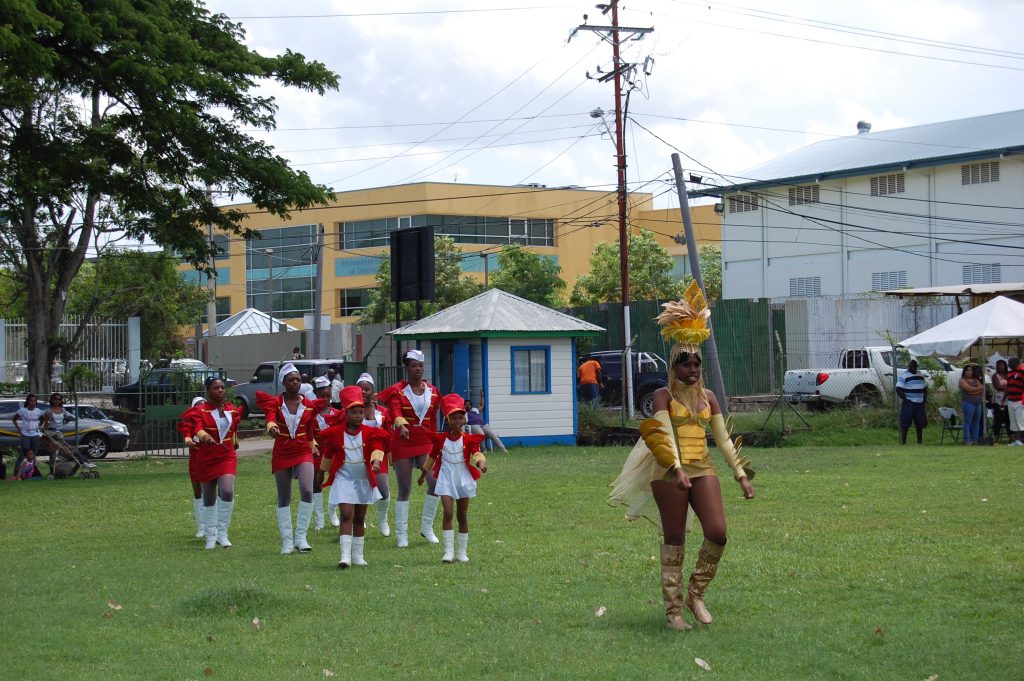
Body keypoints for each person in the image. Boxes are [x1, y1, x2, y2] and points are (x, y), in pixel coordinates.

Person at [609, 282, 755, 631]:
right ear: (674, 366)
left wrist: (741, 475)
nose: (692, 368)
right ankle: (673, 611)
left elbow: (722, 439)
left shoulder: (709, 397)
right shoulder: (663, 396)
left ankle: (696, 594)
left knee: (718, 532)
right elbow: (660, 432)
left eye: (696, 364)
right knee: (675, 540)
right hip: (667, 472)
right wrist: (675, 468)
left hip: (702, 468)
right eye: (685, 363)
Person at [376, 349, 442, 547]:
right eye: (413, 366)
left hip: (425, 441)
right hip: (403, 442)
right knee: (404, 488)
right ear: (406, 368)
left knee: (435, 483)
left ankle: (427, 528)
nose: (417, 369)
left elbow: (434, 418)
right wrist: (401, 425)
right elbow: (395, 411)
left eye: (420, 365)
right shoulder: (398, 390)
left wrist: (437, 441)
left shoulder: (432, 390)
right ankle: (402, 535)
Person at [257, 363, 324, 554]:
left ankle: (301, 538)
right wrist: (272, 427)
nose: (295, 382)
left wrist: (313, 446)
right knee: (284, 496)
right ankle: (287, 541)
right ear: (283, 383)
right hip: (282, 452)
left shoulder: (309, 404)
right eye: (291, 380)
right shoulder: (276, 403)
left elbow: (309, 430)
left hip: (303, 450)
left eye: (297, 379)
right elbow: (270, 418)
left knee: (307, 490)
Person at [320, 386, 388, 568]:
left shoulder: (370, 432)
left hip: (363, 481)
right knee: (346, 515)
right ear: (346, 413)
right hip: (344, 480)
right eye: (354, 412)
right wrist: (320, 474)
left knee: (359, 518)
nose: (358, 416)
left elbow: (377, 448)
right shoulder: (336, 433)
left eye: (360, 412)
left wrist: (376, 462)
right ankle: (345, 557)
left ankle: (358, 556)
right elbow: (327, 455)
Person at [421, 394, 487, 563]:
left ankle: (462, 552)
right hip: (446, 477)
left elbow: (476, 453)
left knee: (462, 516)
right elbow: (432, 457)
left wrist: (481, 463)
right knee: (448, 512)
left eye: (460, 418)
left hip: (462, 477)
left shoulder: (469, 439)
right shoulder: (440, 439)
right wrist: (423, 474)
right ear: (448, 420)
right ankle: (448, 551)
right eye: (454, 418)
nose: (457, 421)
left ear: (464, 420)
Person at [185, 378, 241, 549]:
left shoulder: (231, 409)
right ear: (208, 391)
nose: (221, 390)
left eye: (222, 387)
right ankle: (211, 536)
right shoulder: (200, 410)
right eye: (216, 388)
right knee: (208, 497)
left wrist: (235, 440)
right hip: (206, 456)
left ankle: (222, 534)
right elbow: (197, 428)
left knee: (227, 490)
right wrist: (204, 436)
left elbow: (233, 428)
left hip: (226, 455)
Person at [357, 372, 393, 537]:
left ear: (373, 391)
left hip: (378, 455)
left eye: (367, 389)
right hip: (357, 454)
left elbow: (388, 435)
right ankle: (359, 519)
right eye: (360, 389)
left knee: (383, 491)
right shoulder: (351, 411)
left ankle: (383, 519)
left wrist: (390, 456)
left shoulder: (383, 412)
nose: (364, 392)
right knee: (358, 490)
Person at [312, 375, 344, 531]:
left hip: (334, 452)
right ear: (316, 394)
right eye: (322, 396)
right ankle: (319, 519)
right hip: (317, 451)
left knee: (337, 481)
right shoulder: (310, 413)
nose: (325, 399)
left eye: (328, 396)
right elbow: (306, 432)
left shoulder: (337, 413)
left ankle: (333, 511)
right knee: (316, 482)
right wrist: (313, 445)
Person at [41, 393, 96, 470]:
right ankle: (53, 470)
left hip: (59, 433)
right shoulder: (48, 411)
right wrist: (44, 434)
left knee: (67, 450)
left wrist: (71, 420)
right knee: (54, 452)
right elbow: (45, 423)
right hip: (51, 432)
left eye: (59, 399)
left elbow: (71, 417)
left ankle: (83, 461)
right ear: (52, 400)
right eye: (55, 399)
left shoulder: (63, 410)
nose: (57, 401)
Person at [896, 359, 928, 445]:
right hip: (909, 403)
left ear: (917, 367)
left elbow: (925, 389)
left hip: (919, 403)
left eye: (915, 366)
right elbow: (898, 389)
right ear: (909, 366)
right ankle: (903, 442)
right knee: (905, 422)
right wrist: (905, 399)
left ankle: (919, 442)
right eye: (911, 366)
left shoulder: (920, 375)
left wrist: (924, 400)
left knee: (919, 423)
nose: (913, 368)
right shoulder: (904, 375)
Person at [13, 394, 45, 476]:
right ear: (28, 401)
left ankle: (32, 472)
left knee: (33, 454)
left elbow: (43, 419)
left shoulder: (38, 411)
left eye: (34, 401)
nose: (32, 402)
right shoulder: (23, 410)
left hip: (35, 435)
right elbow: (14, 419)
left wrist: (39, 428)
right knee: (23, 454)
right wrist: (19, 430)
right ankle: (16, 472)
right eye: (31, 400)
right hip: (25, 434)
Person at [959, 365, 984, 446]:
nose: (969, 372)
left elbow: (982, 388)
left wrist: (972, 391)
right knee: (967, 422)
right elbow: (968, 389)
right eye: (967, 370)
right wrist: (977, 390)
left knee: (976, 423)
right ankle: (967, 440)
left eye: (971, 370)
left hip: (978, 403)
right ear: (964, 371)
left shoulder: (976, 380)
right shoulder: (962, 380)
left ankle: (975, 440)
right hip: (968, 403)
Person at [1004, 357, 1024, 446]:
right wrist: (1003, 400)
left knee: (1021, 421)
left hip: (1020, 401)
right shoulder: (1009, 373)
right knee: (1014, 422)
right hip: (1011, 401)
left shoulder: (1022, 372)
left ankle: (1022, 440)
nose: (1008, 364)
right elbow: (1007, 388)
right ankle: (1018, 441)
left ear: (1015, 363)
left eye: (1009, 362)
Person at [990, 359, 1010, 444]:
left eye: (1002, 365)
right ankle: (996, 439)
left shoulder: (1008, 375)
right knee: (998, 420)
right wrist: (1009, 388)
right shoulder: (995, 376)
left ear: (1005, 366)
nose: (1000, 366)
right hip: (998, 401)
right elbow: (998, 387)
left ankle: (1011, 438)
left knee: (1008, 420)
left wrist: (1009, 388)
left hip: (1009, 400)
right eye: (999, 365)